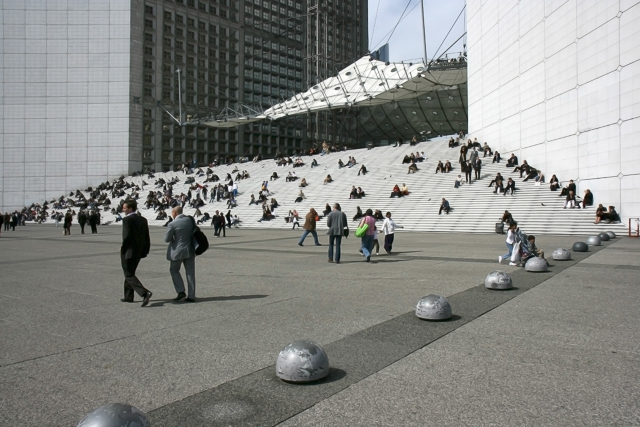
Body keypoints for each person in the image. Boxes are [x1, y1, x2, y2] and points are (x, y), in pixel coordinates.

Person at [120, 200, 152, 306]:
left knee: (128, 274)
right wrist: (146, 249)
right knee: (130, 272)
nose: (123, 210)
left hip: (129, 251)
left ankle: (144, 293)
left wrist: (123, 249)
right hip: (139, 251)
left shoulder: (127, 220)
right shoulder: (143, 219)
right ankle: (128, 296)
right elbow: (146, 236)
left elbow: (126, 237)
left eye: (124, 208)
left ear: (130, 209)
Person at [164, 206, 196, 302]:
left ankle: (181, 291)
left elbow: (167, 239)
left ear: (174, 213)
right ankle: (191, 295)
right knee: (190, 272)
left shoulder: (172, 224)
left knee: (174, 270)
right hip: (190, 249)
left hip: (177, 251)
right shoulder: (190, 220)